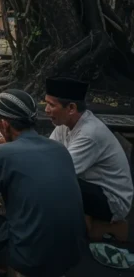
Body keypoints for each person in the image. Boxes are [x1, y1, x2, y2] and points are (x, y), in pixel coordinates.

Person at [0, 89, 85, 277]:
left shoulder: (2, 154)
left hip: (28, 259)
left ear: (3, 123)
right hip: (71, 256)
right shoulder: (59, 149)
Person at [46, 77, 133, 223]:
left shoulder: (89, 133)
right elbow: (46, 153)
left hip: (111, 200)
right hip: (88, 186)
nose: (46, 110)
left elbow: (59, 171)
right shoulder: (63, 125)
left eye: (51, 105)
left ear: (71, 108)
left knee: (54, 183)